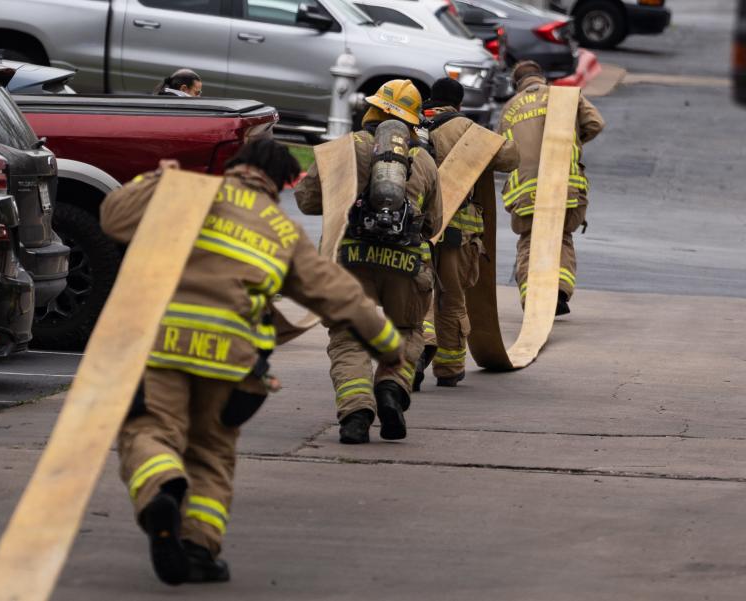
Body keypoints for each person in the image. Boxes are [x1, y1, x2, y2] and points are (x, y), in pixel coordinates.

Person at [100, 139, 404, 585]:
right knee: (212, 454)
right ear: (279, 184)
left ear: (235, 166)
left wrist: (158, 178)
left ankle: (162, 487)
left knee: (149, 430)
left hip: (164, 348)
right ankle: (199, 549)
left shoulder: (188, 194)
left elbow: (113, 218)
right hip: (234, 365)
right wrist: (389, 348)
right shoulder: (283, 232)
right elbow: (339, 295)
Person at [295, 79, 443, 445]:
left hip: (351, 261)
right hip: (406, 265)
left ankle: (356, 413)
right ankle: (391, 388)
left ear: (372, 110)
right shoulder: (421, 158)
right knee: (407, 330)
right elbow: (434, 224)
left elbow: (307, 201)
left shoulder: (341, 149)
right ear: (410, 122)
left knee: (349, 335)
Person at [413, 77, 519, 389]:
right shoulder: (466, 129)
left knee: (417, 294)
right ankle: (448, 368)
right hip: (456, 232)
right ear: (459, 104)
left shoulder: (412, 124)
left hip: (413, 229)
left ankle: (413, 354)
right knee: (451, 297)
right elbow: (511, 158)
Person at [497, 60, 605, 315]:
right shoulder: (563, 96)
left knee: (529, 241)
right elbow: (595, 123)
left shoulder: (509, 109)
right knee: (562, 237)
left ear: (517, 85)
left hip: (524, 193)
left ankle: (531, 297)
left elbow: (501, 153)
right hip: (565, 188)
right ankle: (559, 291)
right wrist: (573, 139)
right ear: (542, 77)